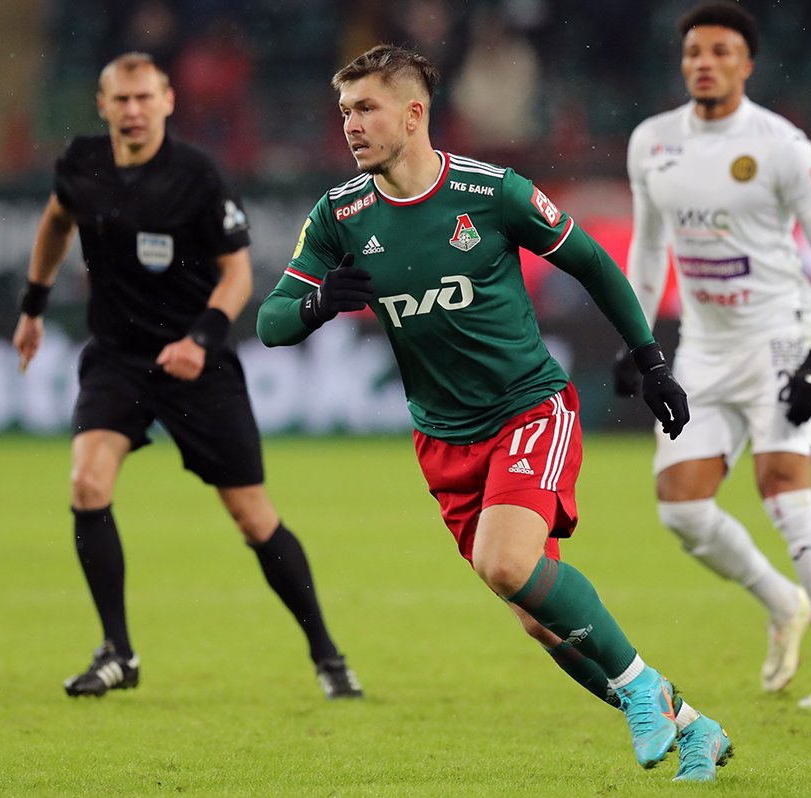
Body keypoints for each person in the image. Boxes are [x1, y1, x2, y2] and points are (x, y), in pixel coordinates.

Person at [258, 44, 730, 782]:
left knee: (506, 563)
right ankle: (693, 724)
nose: (350, 124)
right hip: (443, 439)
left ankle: (640, 687)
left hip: (527, 409)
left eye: (366, 108)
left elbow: (592, 264)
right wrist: (317, 303)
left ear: (413, 114)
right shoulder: (340, 215)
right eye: (345, 110)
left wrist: (651, 361)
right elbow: (272, 321)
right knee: (538, 617)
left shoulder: (491, 193)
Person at [13, 52, 362, 700]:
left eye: (144, 98)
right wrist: (33, 306)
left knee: (252, 517)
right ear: (103, 105)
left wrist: (200, 339)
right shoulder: (82, 164)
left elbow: (238, 276)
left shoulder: (198, 176)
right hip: (118, 356)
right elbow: (57, 220)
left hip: (197, 361)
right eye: (122, 100)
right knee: (87, 483)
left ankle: (327, 654)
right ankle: (118, 653)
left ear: (168, 101)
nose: (134, 111)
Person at [617, 1, 811, 707]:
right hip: (702, 346)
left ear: (747, 64)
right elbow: (647, 250)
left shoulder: (783, 147)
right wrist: (637, 339)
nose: (705, 63)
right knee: (682, 510)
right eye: (694, 52)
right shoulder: (653, 142)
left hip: (781, 337)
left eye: (721, 52)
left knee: (785, 489)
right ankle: (784, 603)